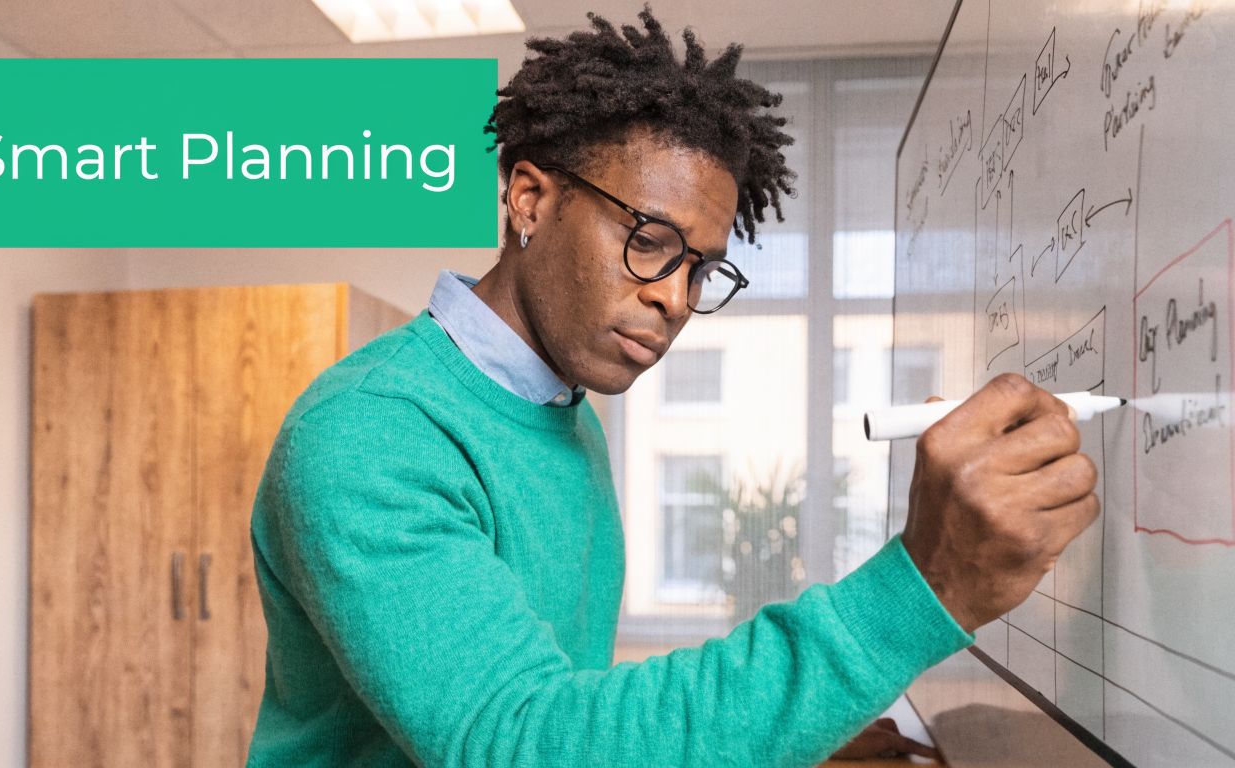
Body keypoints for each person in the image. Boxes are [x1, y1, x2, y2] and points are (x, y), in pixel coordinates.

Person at [245, 7, 1099, 766]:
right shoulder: (372, 432)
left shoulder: (560, 412)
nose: (675, 297)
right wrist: (926, 584)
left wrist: (788, 738)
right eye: (650, 239)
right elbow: (520, 742)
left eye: (702, 268)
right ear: (530, 199)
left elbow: (562, 691)